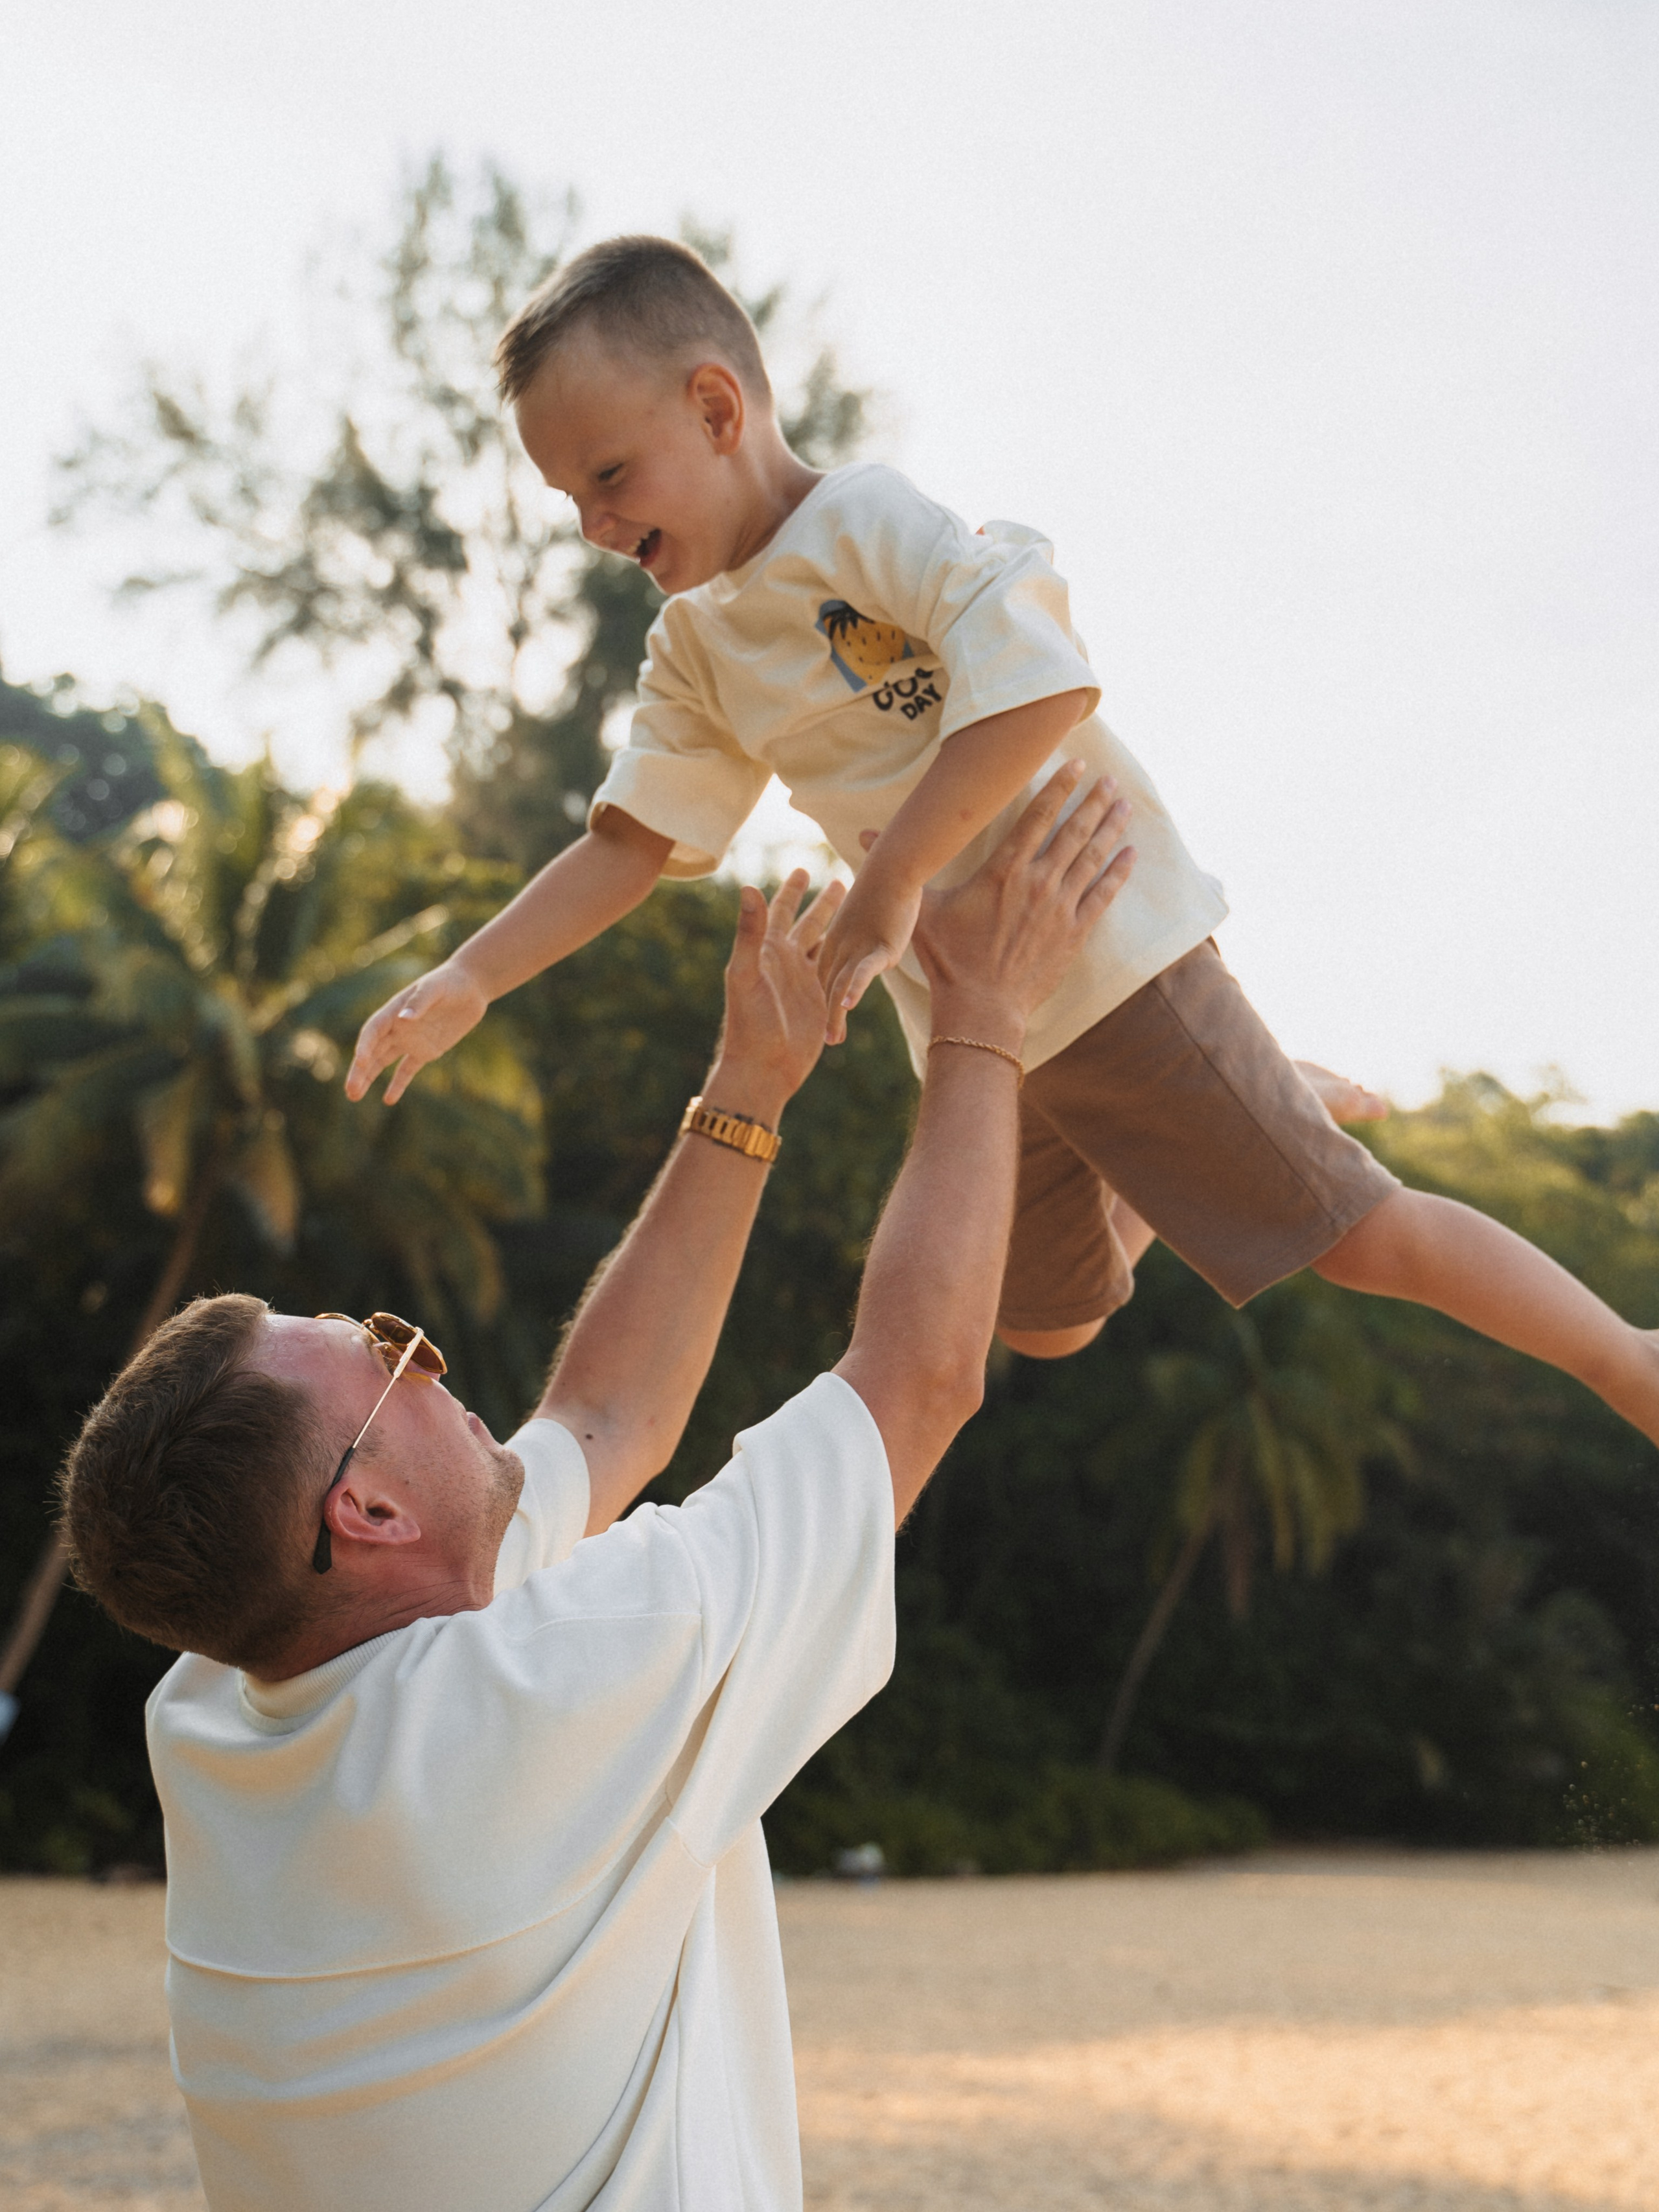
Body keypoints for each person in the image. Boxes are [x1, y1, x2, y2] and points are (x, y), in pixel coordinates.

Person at [345, 235, 1659, 1446]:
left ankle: (1627, 1361)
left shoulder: (863, 526)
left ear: (715, 408)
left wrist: (891, 880)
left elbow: (1039, 687)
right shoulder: (694, 646)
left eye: (608, 477)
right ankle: (1274, 1087)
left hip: (1103, 949)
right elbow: (628, 844)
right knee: (1046, 1318)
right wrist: (472, 974)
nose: (592, 525)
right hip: (981, 1017)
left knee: (1354, 1235)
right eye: (568, 496)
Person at [58, 773, 1131, 2212]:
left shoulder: (219, 1711)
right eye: (390, 1353)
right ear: (366, 1516)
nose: (429, 1360)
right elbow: (915, 1384)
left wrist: (746, 1092)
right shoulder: (540, 1695)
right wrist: (984, 1010)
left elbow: (603, 1424)